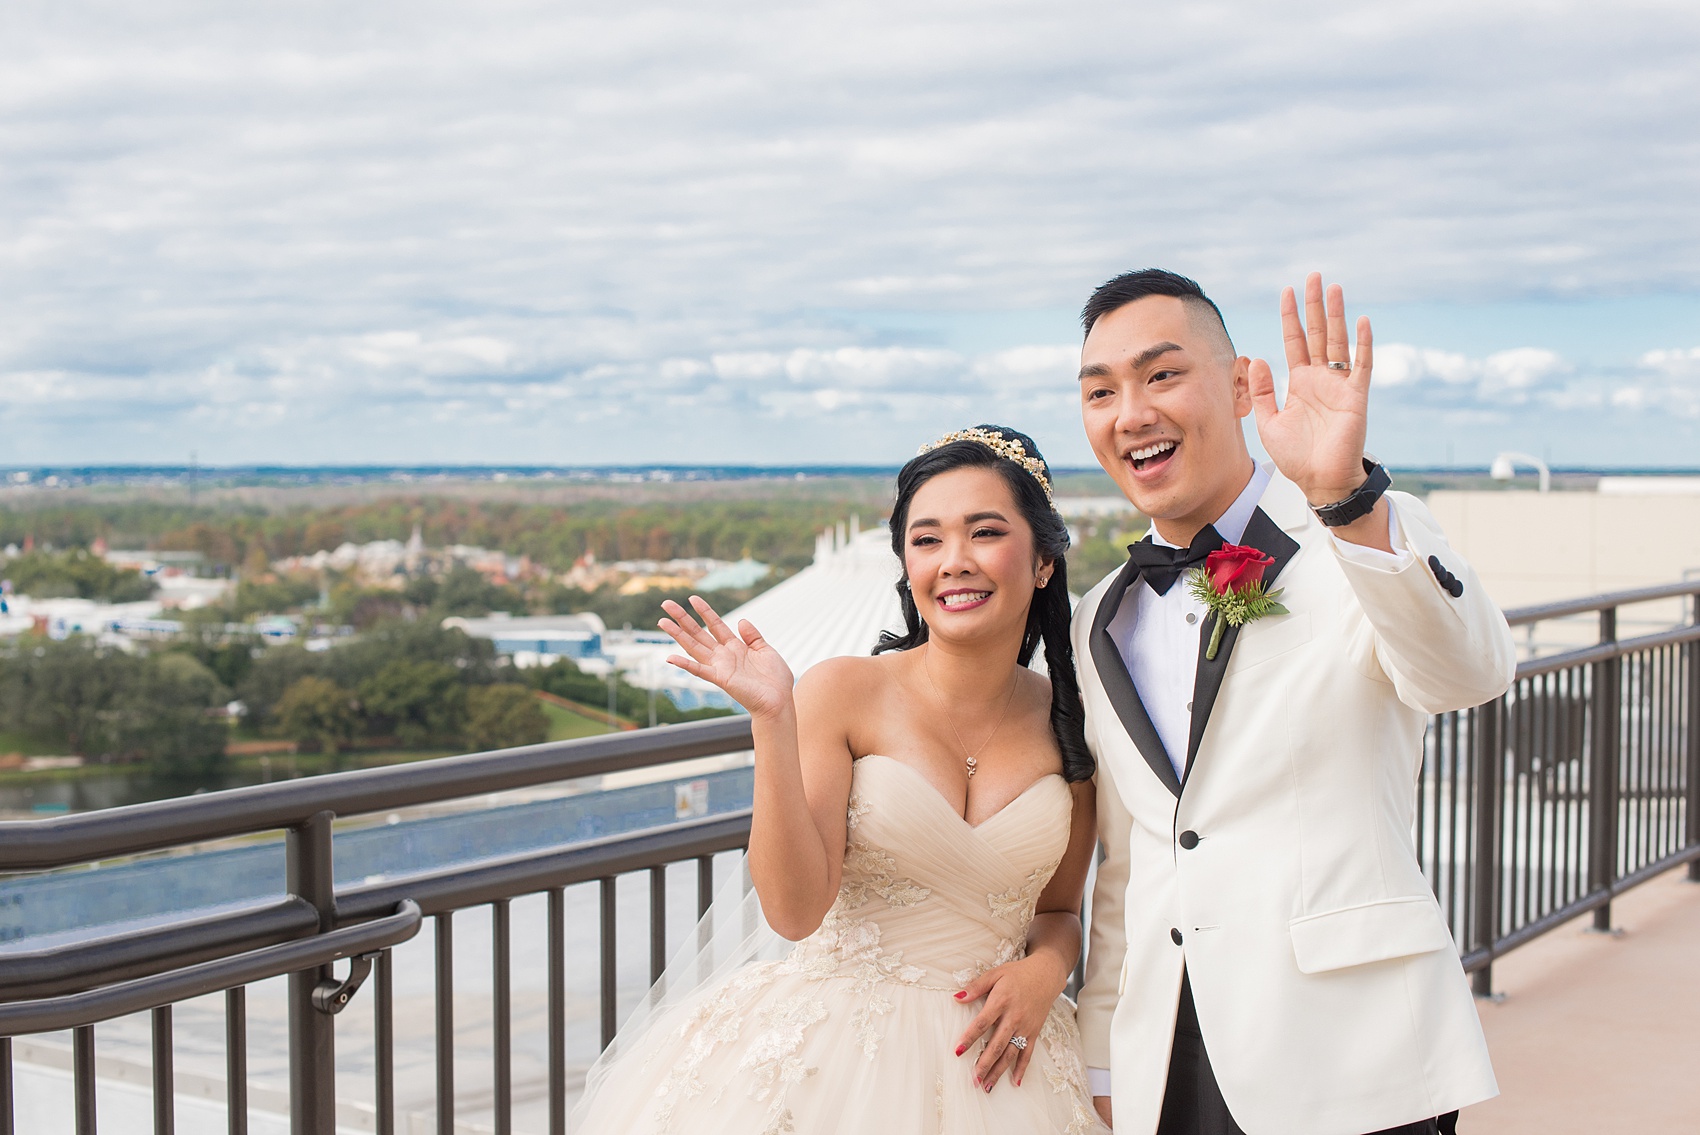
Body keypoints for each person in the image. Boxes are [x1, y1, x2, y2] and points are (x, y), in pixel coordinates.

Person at [1070, 270, 1515, 1135]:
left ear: (1242, 385)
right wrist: (1103, 1056)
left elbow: (1469, 675)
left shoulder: (1363, 535)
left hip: (1351, 1051)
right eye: (1101, 391)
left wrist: (1346, 501)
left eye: (1161, 375)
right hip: (1170, 1058)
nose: (1130, 412)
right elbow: (1128, 864)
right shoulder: (1101, 617)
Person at [570, 425, 1110, 1135]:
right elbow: (794, 911)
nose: (955, 562)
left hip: (1002, 1060)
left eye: (984, 533)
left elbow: (1059, 912)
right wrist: (773, 718)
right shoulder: (843, 691)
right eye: (926, 540)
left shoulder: (1073, 720)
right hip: (839, 1061)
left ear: (1042, 560)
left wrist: (1047, 971)